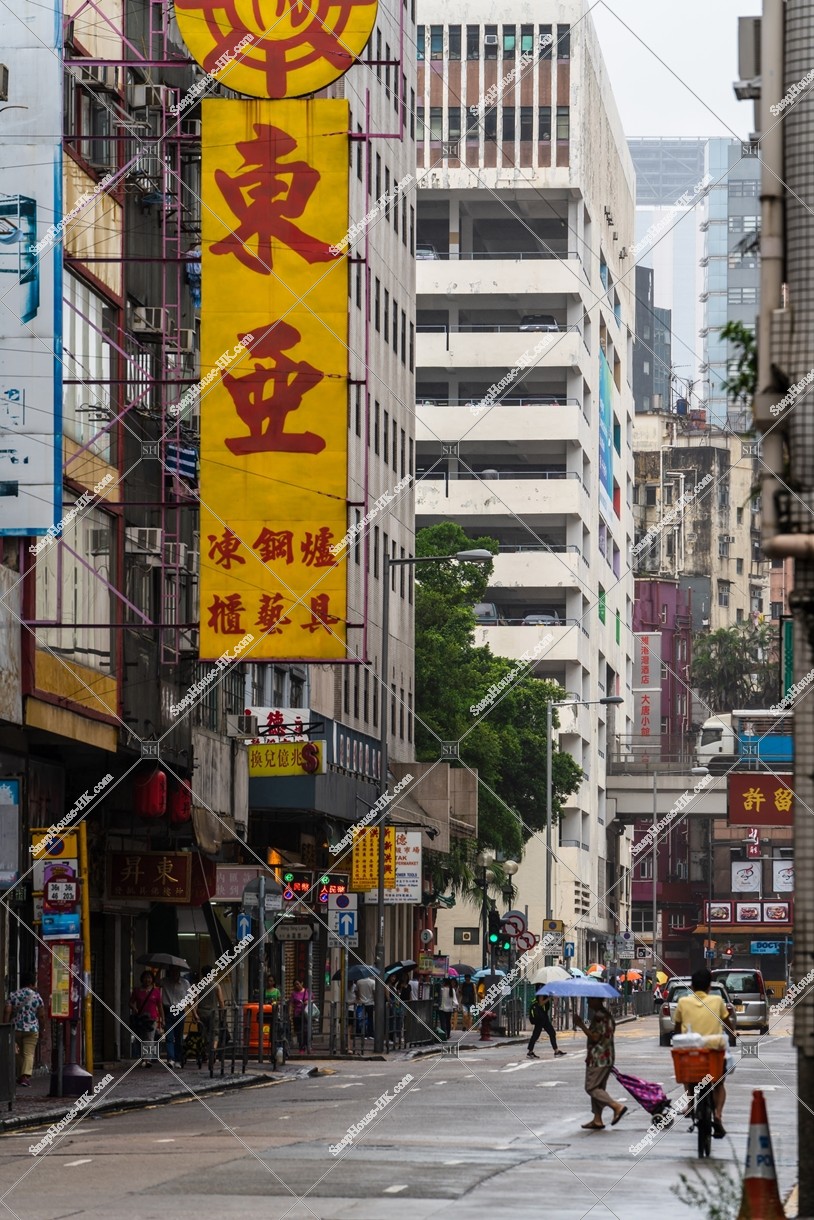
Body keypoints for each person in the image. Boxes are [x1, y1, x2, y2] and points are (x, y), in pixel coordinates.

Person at [673, 967, 736, 1139]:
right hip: (714, 1051)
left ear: (692, 986)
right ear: (709, 986)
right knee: (719, 1084)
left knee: (688, 1077)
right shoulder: (717, 1001)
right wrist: (733, 1033)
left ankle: (691, 1104)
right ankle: (718, 1116)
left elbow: (677, 1027)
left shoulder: (683, 1002)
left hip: (691, 1051)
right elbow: (727, 1022)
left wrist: (679, 1036)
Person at [574, 997, 627, 1130]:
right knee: (599, 1088)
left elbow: (595, 1037)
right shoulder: (607, 1015)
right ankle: (597, 1119)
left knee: (591, 1087)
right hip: (607, 1056)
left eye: (590, 1000)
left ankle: (616, 1106)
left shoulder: (599, 1016)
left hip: (598, 1057)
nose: (588, 1002)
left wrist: (581, 1025)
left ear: (597, 1000)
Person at [4, 971, 44, 1086]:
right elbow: (41, 1015)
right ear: (32, 983)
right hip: (31, 1030)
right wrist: (42, 1029)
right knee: (29, 1054)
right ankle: (25, 1077)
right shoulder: (36, 996)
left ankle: (21, 1076)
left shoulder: (13, 995)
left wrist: (5, 1026)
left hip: (15, 1029)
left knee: (18, 1053)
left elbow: (7, 1011)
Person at [130, 970, 163, 1068]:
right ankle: (142, 1057)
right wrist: (135, 1009)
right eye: (145, 977)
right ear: (142, 979)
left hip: (152, 1018)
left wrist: (162, 1019)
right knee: (140, 1038)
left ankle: (147, 1059)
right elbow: (131, 1002)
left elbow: (160, 1006)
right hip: (140, 1018)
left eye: (149, 977)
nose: (147, 980)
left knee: (149, 1038)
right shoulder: (137, 991)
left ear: (152, 979)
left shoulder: (156, 991)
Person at [191, 974, 225, 1058]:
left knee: (202, 1034)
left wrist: (194, 1014)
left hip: (201, 1013)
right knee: (215, 1033)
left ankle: (204, 1053)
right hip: (213, 1013)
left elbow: (196, 1001)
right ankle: (213, 1051)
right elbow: (221, 1001)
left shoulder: (199, 986)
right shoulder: (216, 985)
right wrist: (222, 1013)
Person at [160, 965, 187, 1068]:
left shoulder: (185, 983)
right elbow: (156, 982)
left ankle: (178, 1060)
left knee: (179, 1037)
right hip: (168, 1010)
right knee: (169, 1037)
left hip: (180, 1011)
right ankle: (171, 1059)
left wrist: (194, 1013)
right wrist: (159, 968)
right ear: (169, 972)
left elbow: (189, 999)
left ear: (179, 972)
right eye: (172, 971)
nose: (174, 973)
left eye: (176, 971)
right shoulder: (165, 981)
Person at [527, 993, 566, 1059]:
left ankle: (556, 1051)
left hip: (544, 1016)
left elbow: (554, 1004)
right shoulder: (542, 992)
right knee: (536, 1035)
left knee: (551, 1033)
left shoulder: (547, 992)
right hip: (540, 1017)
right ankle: (530, 1052)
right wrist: (549, 998)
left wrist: (554, 998)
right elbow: (541, 1003)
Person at [290, 979, 311, 1052]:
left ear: (302, 983)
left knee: (306, 1030)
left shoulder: (307, 991)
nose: (297, 986)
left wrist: (307, 1002)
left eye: (298, 984)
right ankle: (301, 1047)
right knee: (299, 1032)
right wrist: (290, 1013)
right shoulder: (293, 993)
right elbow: (291, 1004)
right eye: (295, 985)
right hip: (297, 1014)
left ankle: (306, 1045)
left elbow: (312, 1000)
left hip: (306, 1013)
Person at [354, 973, 376, 1037]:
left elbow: (356, 991)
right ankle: (370, 1033)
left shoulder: (359, 982)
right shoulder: (372, 982)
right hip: (370, 1003)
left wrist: (358, 997)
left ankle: (361, 1032)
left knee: (361, 1018)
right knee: (370, 1018)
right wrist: (374, 1001)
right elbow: (374, 993)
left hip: (361, 1003)